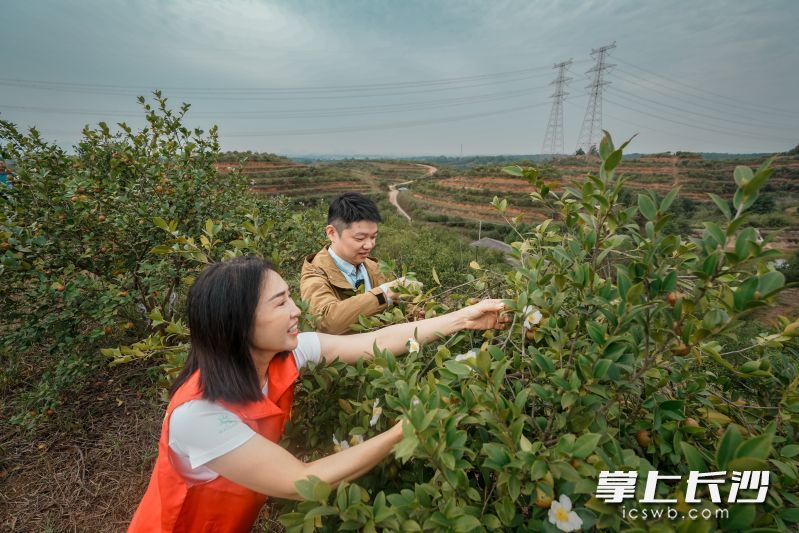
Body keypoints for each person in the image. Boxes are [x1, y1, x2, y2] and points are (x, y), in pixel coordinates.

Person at [129, 256, 506, 532]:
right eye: (279, 303)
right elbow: (302, 480)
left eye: (290, 296)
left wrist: (462, 318)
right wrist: (407, 430)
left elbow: (374, 341)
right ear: (237, 322)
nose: (296, 310)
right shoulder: (198, 415)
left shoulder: (285, 354)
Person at [300, 192, 420, 334]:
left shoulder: (375, 268)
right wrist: (386, 293)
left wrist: (416, 313)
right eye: (360, 238)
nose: (369, 245)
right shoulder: (315, 274)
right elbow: (327, 321)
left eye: (373, 237)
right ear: (332, 233)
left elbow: (398, 307)